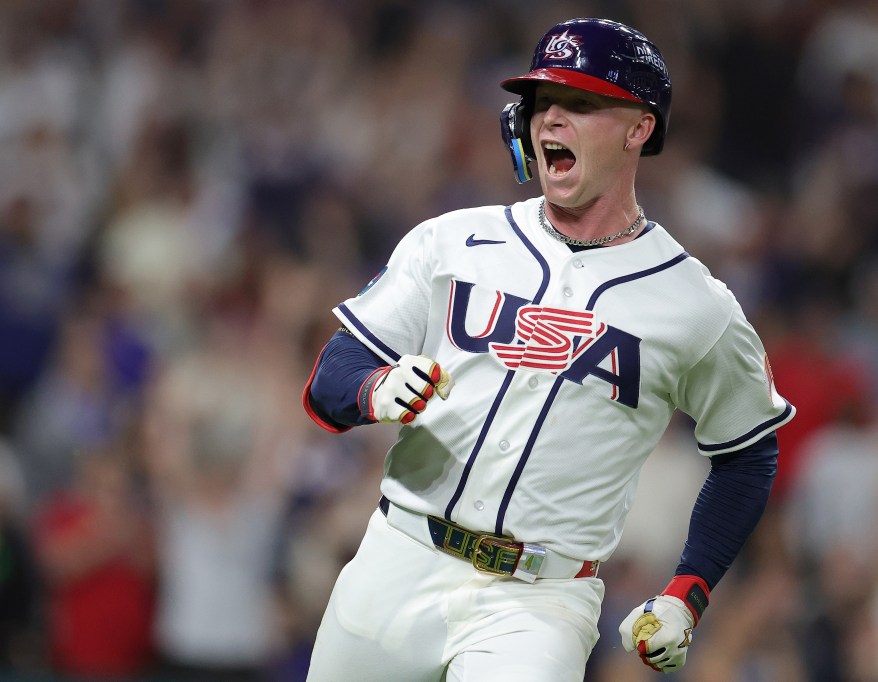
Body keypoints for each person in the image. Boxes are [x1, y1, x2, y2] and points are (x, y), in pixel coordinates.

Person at [302, 17, 794, 680]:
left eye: (582, 104)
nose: (551, 121)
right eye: (542, 103)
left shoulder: (695, 305)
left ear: (638, 128)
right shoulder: (451, 241)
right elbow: (332, 377)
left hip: (539, 602)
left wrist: (689, 590)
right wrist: (374, 389)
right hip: (398, 558)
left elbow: (748, 455)